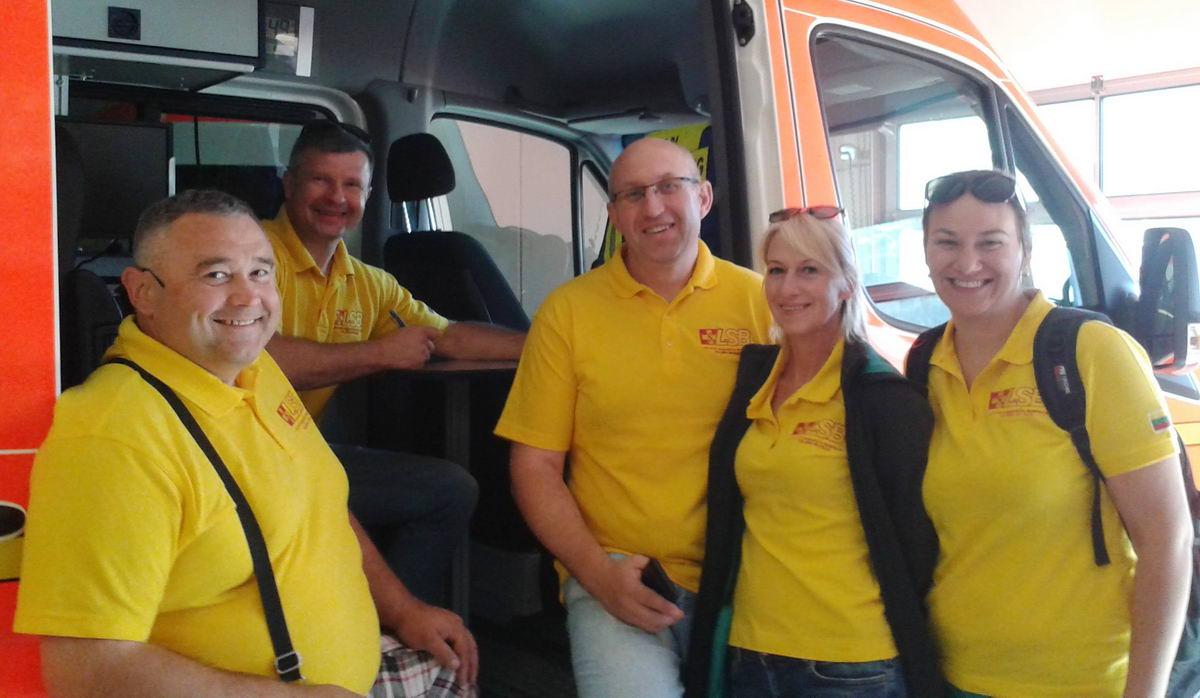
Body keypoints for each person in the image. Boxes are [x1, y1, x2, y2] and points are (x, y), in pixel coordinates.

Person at [14, 190, 476, 695]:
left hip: (362, 673)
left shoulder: (256, 368)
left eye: (260, 272)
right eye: (216, 275)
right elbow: (83, 669)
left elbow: (320, 510)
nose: (247, 298)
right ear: (143, 291)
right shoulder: (114, 435)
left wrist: (404, 611)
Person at [494, 137, 773, 697]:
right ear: (615, 214)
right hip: (616, 570)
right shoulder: (568, 312)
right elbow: (535, 467)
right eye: (633, 195)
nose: (653, 207)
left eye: (670, 187)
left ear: (704, 198)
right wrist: (601, 578)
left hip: (750, 572)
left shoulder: (762, 302)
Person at [915, 169, 1193, 696]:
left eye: (990, 243)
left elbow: (1167, 540)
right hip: (955, 676)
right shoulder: (926, 362)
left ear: (1025, 249)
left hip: (1084, 680)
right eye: (947, 242)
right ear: (926, 252)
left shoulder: (1090, 353)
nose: (967, 264)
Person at [261, 120, 524, 607]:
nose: (336, 197)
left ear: (367, 195)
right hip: (237, 458)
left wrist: (549, 346)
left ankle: (390, 634)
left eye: (351, 185)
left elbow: (448, 335)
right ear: (289, 183)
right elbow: (254, 358)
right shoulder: (250, 255)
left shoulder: (368, 282)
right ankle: (388, 622)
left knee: (450, 489)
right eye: (320, 180)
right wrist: (377, 353)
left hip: (308, 455)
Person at [686, 208, 942, 697]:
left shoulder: (882, 398)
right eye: (776, 270)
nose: (788, 289)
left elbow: (917, 541)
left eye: (809, 270)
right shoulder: (755, 381)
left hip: (849, 663)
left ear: (846, 285)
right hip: (750, 651)